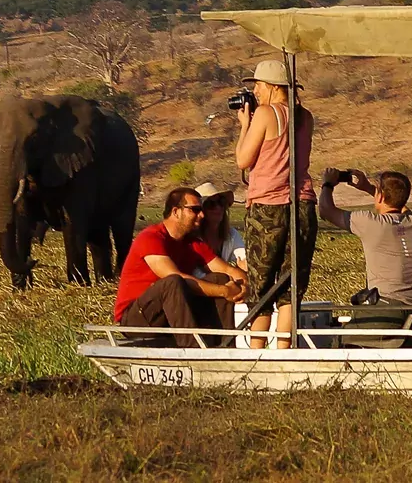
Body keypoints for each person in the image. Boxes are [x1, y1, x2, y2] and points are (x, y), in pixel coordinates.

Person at [235, 60, 317, 349]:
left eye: (257, 85)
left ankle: (257, 352)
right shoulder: (305, 116)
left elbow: (243, 160)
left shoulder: (266, 114)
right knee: (290, 286)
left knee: (260, 284)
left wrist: (245, 126)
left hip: (268, 207)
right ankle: (283, 352)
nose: (254, 91)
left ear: (270, 87)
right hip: (302, 205)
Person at [114, 188, 249, 347]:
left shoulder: (192, 243)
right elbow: (176, 277)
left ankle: (223, 346)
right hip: (136, 318)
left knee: (219, 278)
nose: (202, 215)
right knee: (172, 282)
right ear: (176, 211)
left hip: (169, 314)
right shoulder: (150, 237)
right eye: (195, 210)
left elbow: (227, 270)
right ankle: (192, 349)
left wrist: (244, 286)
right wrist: (224, 291)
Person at [319, 168, 412, 347]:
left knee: (335, 343)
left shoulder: (370, 222)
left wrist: (327, 184)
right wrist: (369, 188)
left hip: (386, 310)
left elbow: (325, 211)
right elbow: (400, 204)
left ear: (381, 197)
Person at [194, 182, 247, 328]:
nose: (218, 207)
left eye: (221, 202)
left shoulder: (231, 234)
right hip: (198, 291)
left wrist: (244, 277)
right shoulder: (193, 238)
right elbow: (196, 274)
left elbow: (243, 259)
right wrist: (232, 278)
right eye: (211, 203)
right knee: (221, 278)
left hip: (224, 289)